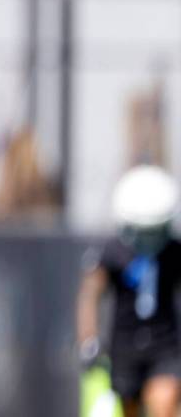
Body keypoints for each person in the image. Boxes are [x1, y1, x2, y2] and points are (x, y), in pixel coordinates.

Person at [77, 165, 181, 417]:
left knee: (163, 403)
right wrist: (88, 339)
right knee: (128, 410)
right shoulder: (113, 252)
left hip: (165, 344)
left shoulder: (174, 252)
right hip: (124, 346)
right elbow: (90, 294)